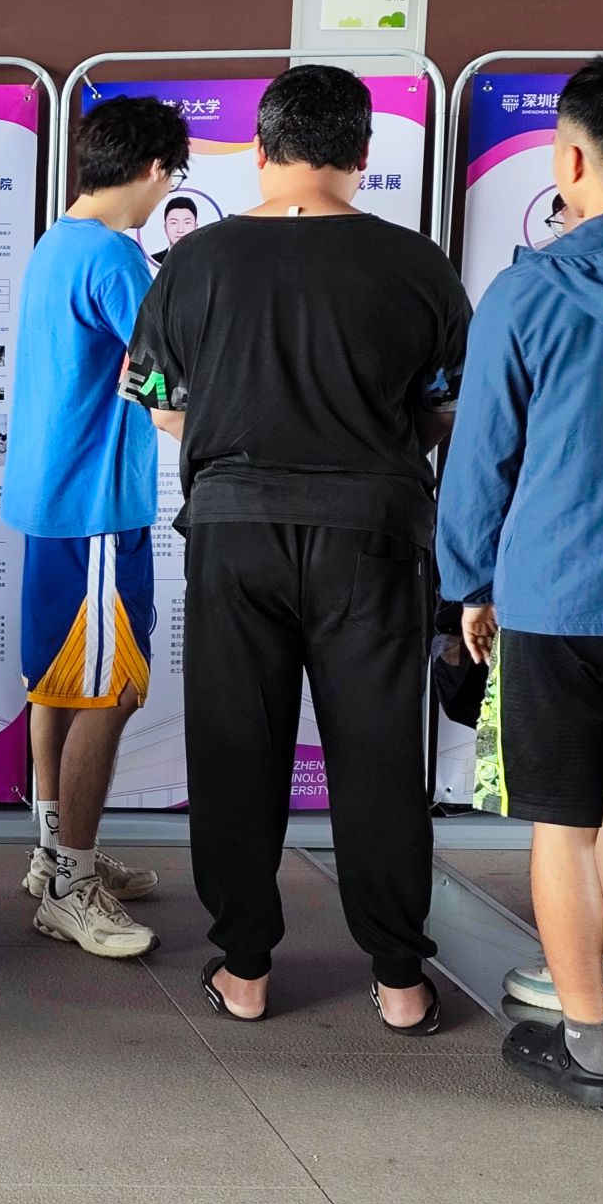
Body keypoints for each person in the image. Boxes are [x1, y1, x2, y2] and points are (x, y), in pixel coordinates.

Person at [123, 64, 470, 1030]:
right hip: (376, 537)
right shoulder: (416, 262)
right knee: (380, 752)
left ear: (260, 151)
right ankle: (399, 980)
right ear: (362, 153)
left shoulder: (195, 261)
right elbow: (449, 408)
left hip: (233, 533)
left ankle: (245, 969)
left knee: (235, 747)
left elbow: (155, 401)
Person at [438, 56, 603, 1104]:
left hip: (558, 595)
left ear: (571, 159)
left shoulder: (530, 290)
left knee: (566, 824)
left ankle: (589, 1041)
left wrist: (467, 583)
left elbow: (479, 460)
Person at [0, 96, 185, 957]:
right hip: (98, 510)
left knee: (55, 684)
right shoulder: (115, 256)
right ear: (153, 169)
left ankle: (54, 853)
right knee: (110, 692)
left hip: (53, 504)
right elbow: (163, 373)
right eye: (168, 181)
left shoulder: (56, 243)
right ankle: (71, 885)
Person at [147, 194, 197, 266]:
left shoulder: (208, 261)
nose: (180, 230)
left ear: (196, 227)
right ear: (165, 227)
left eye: (187, 223)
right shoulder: (153, 260)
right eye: (174, 223)